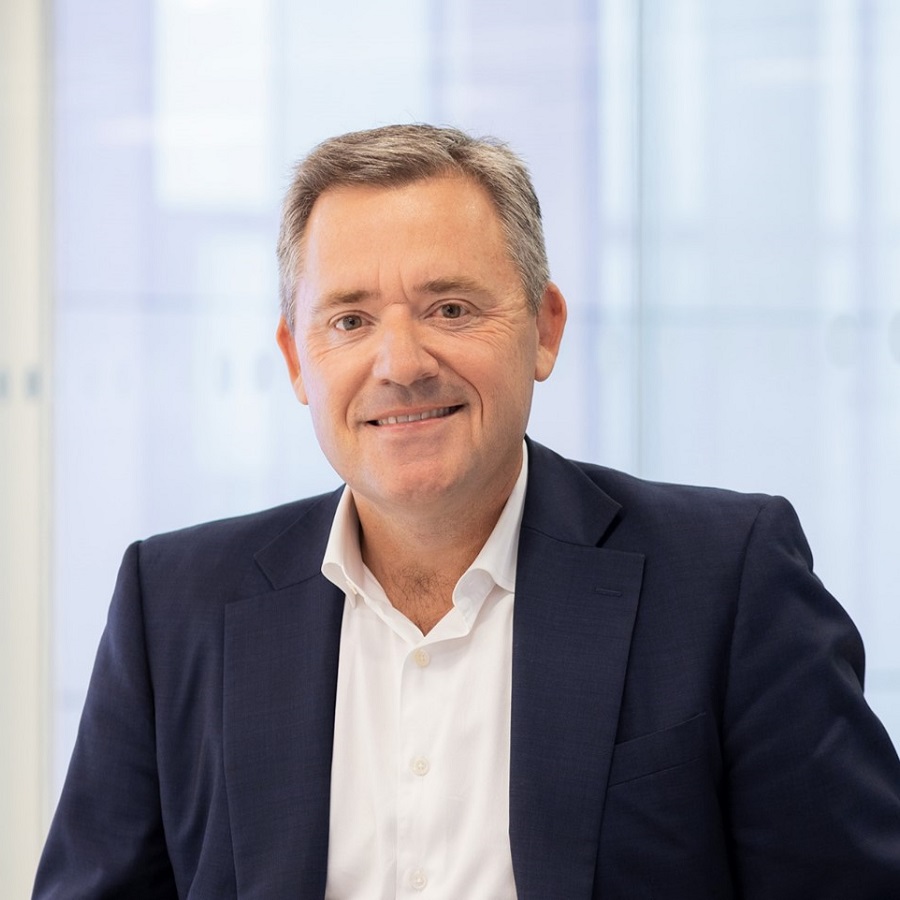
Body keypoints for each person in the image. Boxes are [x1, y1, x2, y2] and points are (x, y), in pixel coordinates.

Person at [34, 124, 900, 899]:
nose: (401, 362)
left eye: (451, 308)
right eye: (350, 319)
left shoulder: (728, 579)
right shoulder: (172, 603)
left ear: (546, 328)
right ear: (296, 358)